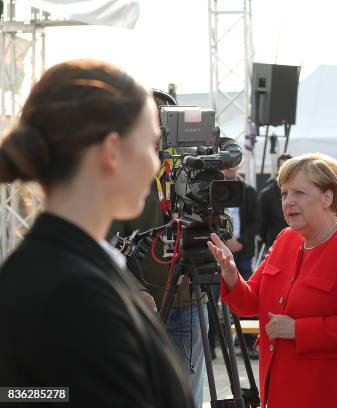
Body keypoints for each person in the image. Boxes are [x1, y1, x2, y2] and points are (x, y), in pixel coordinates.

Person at [0, 60, 194, 407]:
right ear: (111, 152)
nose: (157, 163)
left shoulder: (59, 268)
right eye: (152, 145)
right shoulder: (75, 290)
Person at [208, 153, 337, 407]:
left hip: (329, 394)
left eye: (299, 193)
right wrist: (230, 273)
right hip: (281, 393)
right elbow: (250, 303)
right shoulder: (285, 238)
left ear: (328, 197)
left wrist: (299, 330)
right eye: (284, 193)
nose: (288, 202)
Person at [106, 89, 205, 407]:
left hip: (189, 299)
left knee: (187, 393)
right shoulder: (123, 176)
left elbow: (220, 228)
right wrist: (134, 291)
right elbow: (107, 242)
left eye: (166, 121)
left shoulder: (193, 170)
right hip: (144, 303)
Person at [222, 164, 260, 359]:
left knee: (246, 292)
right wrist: (225, 241)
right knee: (218, 293)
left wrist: (241, 241)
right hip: (221, 247)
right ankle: (214, 345)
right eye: (226, 167)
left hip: (243, 250)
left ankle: (248, 344)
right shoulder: (215, 188)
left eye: (232, 166)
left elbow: (256, 220)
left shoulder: (249, 191)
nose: (230, 170)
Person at [258, 153, 292, 250]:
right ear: (277, 170)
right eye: (283, 167)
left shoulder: (303, 191)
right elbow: (262, 223)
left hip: (300, 244)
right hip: (276, 246)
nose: (286, 172)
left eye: (289, 167)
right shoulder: (267, 194)